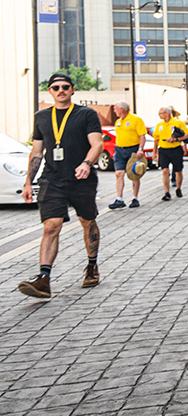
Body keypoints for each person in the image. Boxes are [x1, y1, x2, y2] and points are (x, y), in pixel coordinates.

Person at [18, 73, 104, 298]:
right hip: (52, 178)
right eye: (56, 87)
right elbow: (36, 152)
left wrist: (87, 163)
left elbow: (97, 144)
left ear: (73, 89)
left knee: (87, 221)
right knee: (51, 225)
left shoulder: (86, 114)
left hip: (81, 178)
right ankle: (44, 279)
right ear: (50, 91)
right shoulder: (42, 117)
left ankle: (91, 265)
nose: (61, 90)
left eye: (65, 86)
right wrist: (28, 181)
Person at [108, 100, 146, 209]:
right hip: (120, 150)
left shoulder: (136, 119)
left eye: (115, 108)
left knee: (134, 174)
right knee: (119, 173)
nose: (114, 111)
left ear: (122, 109)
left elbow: (142, 135)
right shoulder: (118, 121)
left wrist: (140, 149)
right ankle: (119, 199)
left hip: (133, 149)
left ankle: (135, 198)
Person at [153, 106, 188, 200]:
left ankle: (178, 188)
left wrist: (176, 139)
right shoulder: (159, 125)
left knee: (178, 171)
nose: (159, 115)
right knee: (165, 171)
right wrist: (155, 152)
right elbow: (156, 139)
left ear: (167, 113)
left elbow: (187, 135)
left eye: (161, 113)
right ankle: (166, 192)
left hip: (175, 149)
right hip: (163, 149)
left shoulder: (177, 123)